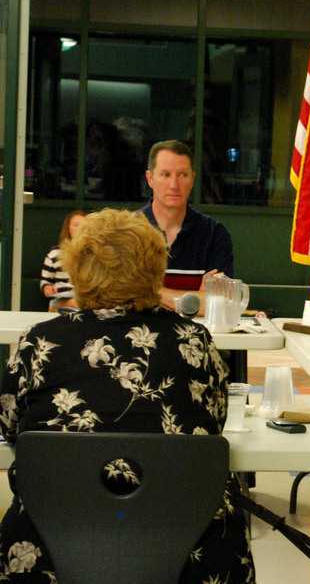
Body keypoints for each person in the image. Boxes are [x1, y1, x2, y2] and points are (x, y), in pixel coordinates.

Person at [0, 208, 254, 582]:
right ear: (154, 271)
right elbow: (213, 421)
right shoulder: (194, 341)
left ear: (77, 270)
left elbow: (11, 427)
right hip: (189, 546)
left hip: (54, 542)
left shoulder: (38, 342)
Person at [141, 139, 234, 307]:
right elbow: (118, 299)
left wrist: (148, 292)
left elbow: (218, 304)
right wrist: (196, 298)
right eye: (165, 174)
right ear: (150, 179)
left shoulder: (214, 234)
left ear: (192, 179)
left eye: (182, 175)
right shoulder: (127, 232)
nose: (174, 185)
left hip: (195, 332)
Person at [39, 209, 86, 311]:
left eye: (83, 226)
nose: (79, 229)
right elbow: (45, 280)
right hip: (61, 299)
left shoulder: (93, 254)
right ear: (68, 228)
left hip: (85, 300)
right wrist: (47, 288)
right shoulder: (55, 253)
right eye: (76, 225)